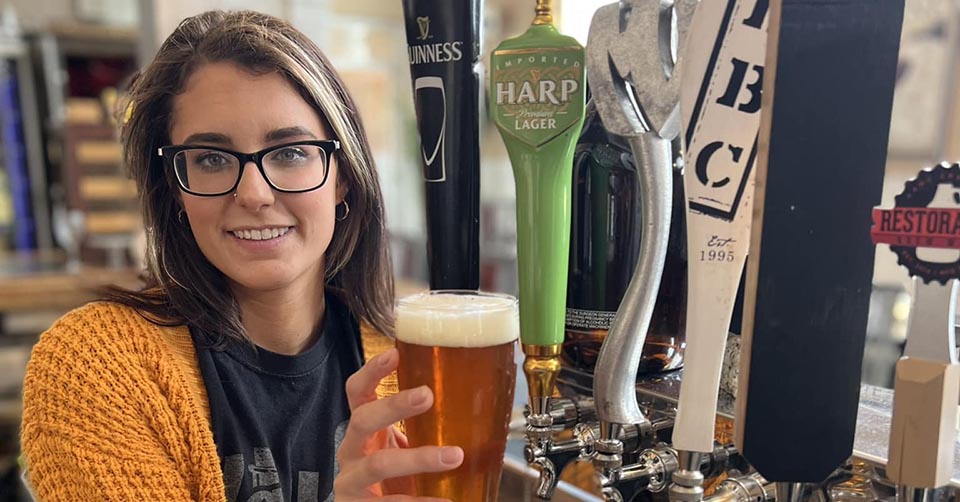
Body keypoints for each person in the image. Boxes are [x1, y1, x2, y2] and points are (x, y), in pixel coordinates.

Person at [20, 10, 463, 502]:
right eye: (211, 159)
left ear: (342, 176)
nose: (254, 194)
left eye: (291, 152)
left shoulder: (421, 361)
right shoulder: (97, 367)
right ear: (174, 191)